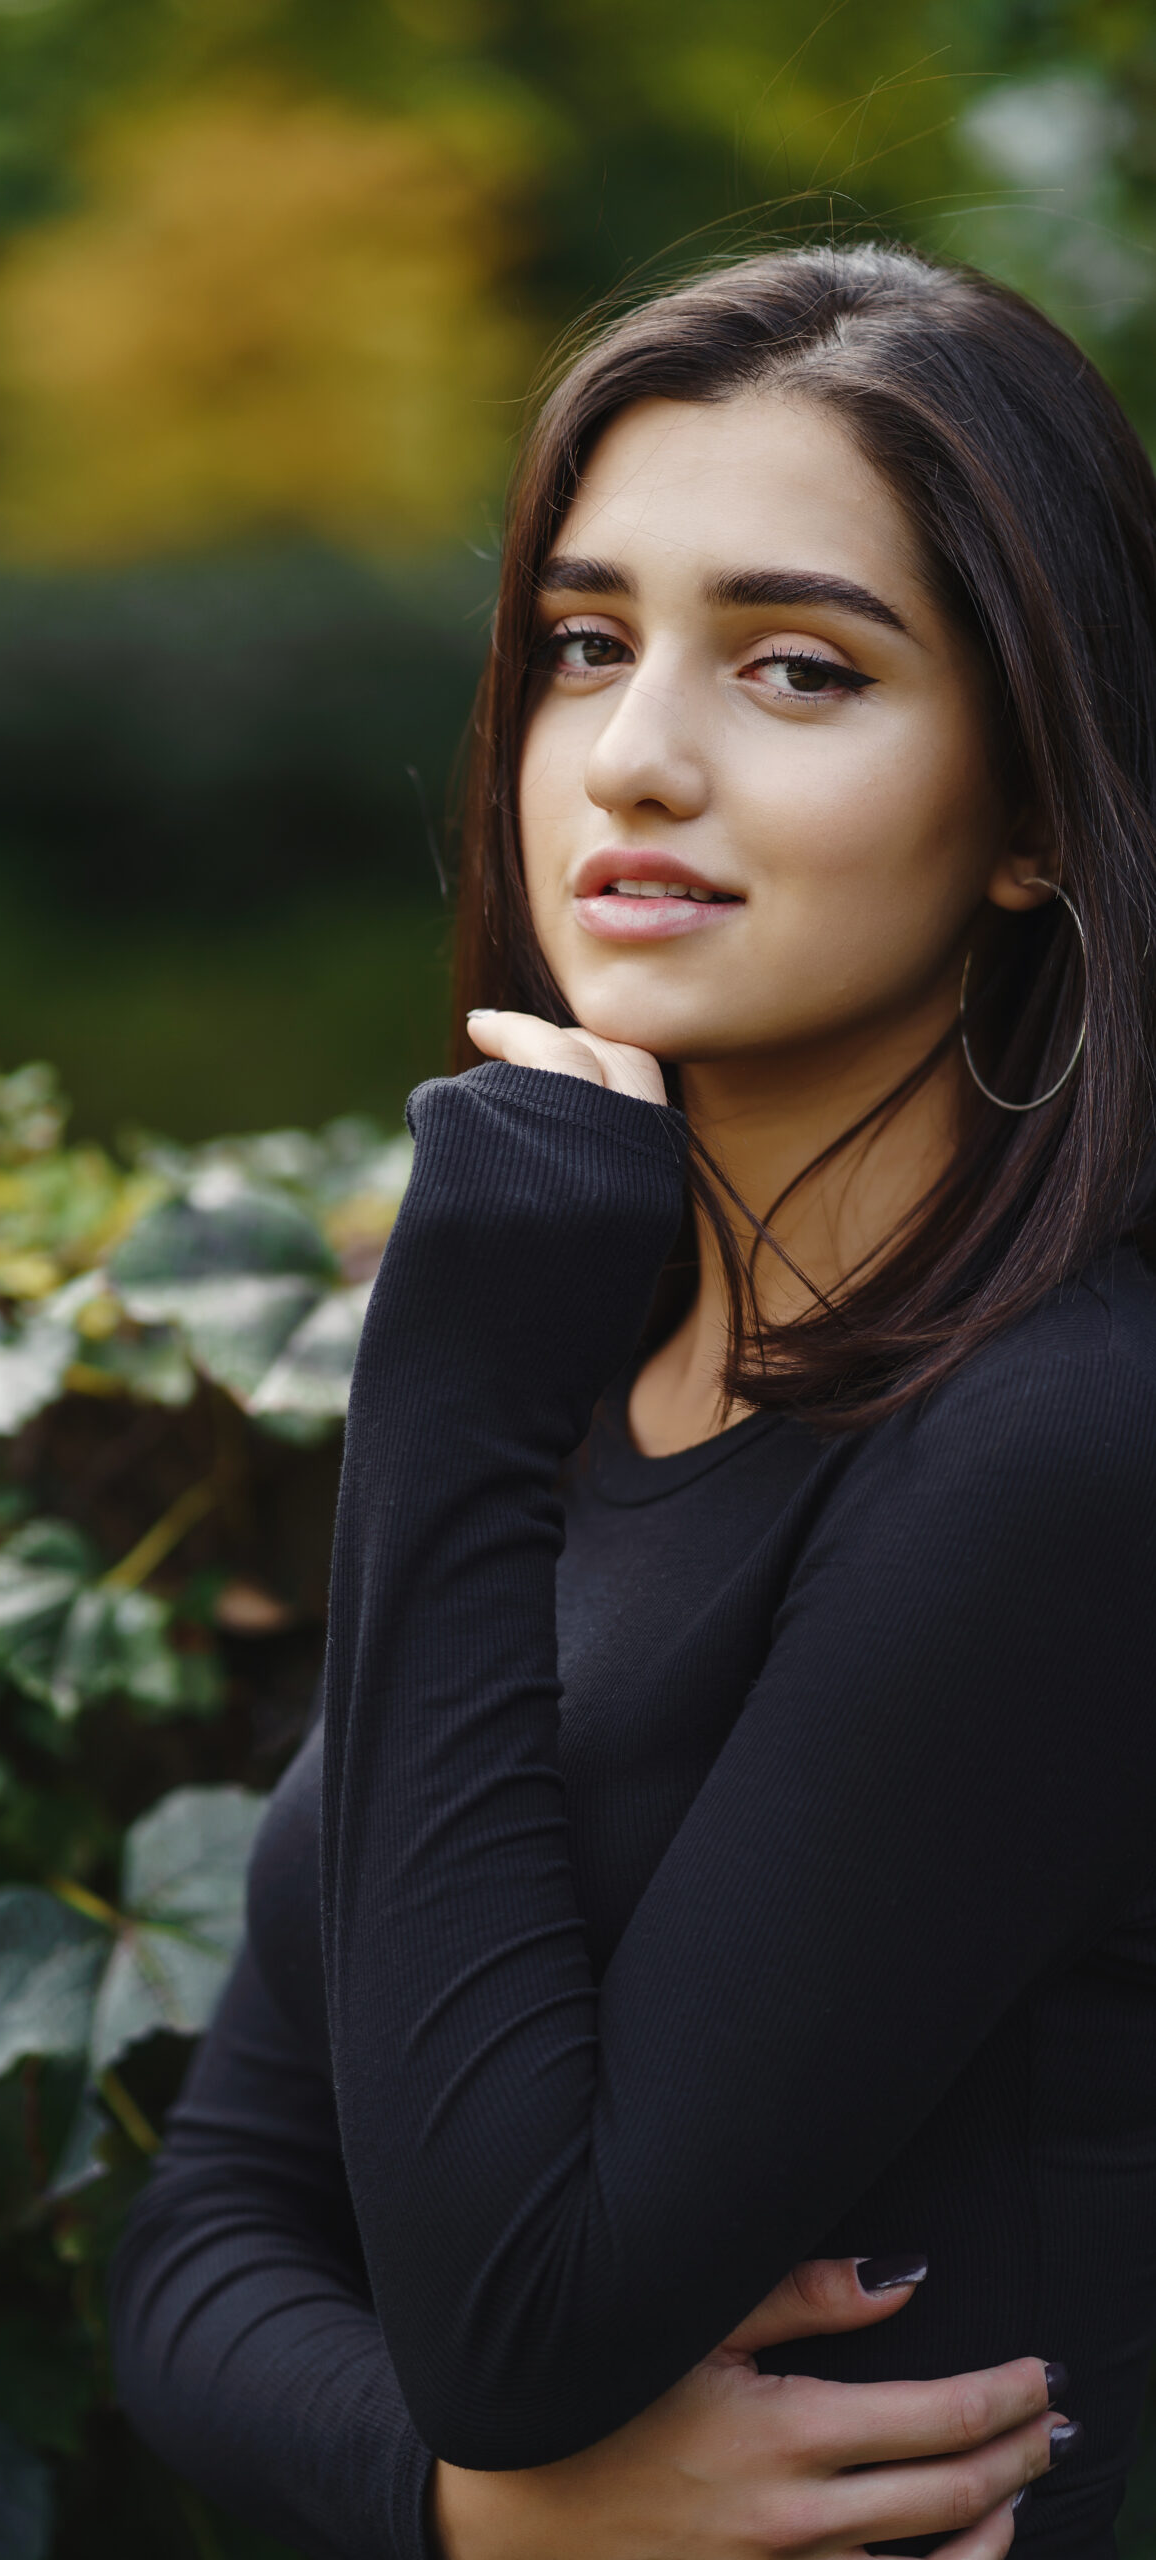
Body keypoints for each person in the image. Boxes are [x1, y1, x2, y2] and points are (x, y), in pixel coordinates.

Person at [109, 242, 1156, 2560]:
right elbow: (203, 2238)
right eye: (585, 643)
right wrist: (480, 2515)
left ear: (1037, 809)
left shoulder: (1058, 1443)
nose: (632, 754)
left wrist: (455, 1370)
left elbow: (511, 2318)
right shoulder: (585, 1357)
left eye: (797, 665)